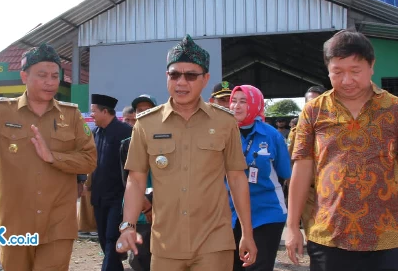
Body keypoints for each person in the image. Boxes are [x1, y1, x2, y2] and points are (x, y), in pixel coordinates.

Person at [286, 30, 398, 271]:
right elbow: (302, 168)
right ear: (328, 70)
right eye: (337, 72)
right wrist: (292, 226)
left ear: (371, 66)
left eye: (355, 71)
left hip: (390, 235)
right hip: (330, 235)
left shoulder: (396, 109)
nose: (347, 80)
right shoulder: (314, 111)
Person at [0, 42, 97, 271]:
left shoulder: (71, 115)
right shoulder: (1, 111)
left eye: (55, 76)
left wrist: (53, 157)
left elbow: (89, 159)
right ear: (24, 76)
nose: (50, 82)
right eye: (42, 75)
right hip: (16, 224)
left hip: (58, 224)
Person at [116, 34, 257, 271]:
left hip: (214, 241)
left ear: (205, 79)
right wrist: (128, 225)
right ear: (167, 77)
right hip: (165, 244)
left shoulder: (224, 122)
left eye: (191, 75)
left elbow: (236, 178)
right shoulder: (146, 124)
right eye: (175, 74)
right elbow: (136, 179)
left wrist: (247, 233)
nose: (181, 82)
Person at [228, 85, 291, 271]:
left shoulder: (272, 135)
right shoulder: (223, 133)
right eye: (234, 101)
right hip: (231, 214)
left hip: (266, 213)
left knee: (258, 266)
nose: (236, 106)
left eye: (243, 101)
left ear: (255, 104)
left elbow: (285, 173)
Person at [90, 94, 132, 271]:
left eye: (94, 111)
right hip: (99, 197)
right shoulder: (96, 133)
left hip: (118, 197)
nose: (92, 115)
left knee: (111, 238)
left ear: (105, 112)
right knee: (103, 239)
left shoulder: (125, 132)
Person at [120, 94, 158, 271]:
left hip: (164, 212)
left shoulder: (165, 140)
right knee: (140, 259)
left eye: (148, 110)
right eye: (139, 111)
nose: (143, 113)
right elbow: (128, 181)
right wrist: (146, 207)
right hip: (141, 214)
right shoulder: (126, 145)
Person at [286, 85, 327, 228]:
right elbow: (290, 159)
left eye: (317, 101)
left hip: (332, 190)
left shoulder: (337, 128)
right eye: (309, 102)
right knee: (313, 232)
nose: (313, 106)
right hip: (308, 191)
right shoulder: (297, 132)